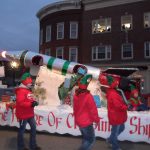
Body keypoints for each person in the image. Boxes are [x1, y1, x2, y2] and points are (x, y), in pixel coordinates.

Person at [15, 72, 41, 150]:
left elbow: (29, 99)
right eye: (29, 83)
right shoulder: (21, 91)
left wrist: (34, 102)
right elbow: (20, 103)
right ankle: (21, 147)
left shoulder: (28, 90)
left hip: (30, 114)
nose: (31, 84)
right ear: (25, 82)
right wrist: (31, 104)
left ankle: (33, 146)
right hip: (23, 115)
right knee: (21, 131)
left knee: (33, 129)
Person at [73, 74, 99, 150]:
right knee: (91, 140)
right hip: (86, 123)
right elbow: (93, 110)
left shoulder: (76, 95)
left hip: (79, 121)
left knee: (85, 139)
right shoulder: (88, 96)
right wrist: (97, 120)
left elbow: (75, 108)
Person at [105, 75, 128, 150]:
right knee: (115, 132)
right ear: (114, 84)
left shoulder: (113, 92)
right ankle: (115, 147)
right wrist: (126, 107)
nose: (117, 84)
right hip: (116, 116)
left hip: (117, 115)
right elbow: (118, 106)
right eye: (116, 83)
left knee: (121, 127)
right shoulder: (113, 94)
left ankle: (110, 139)